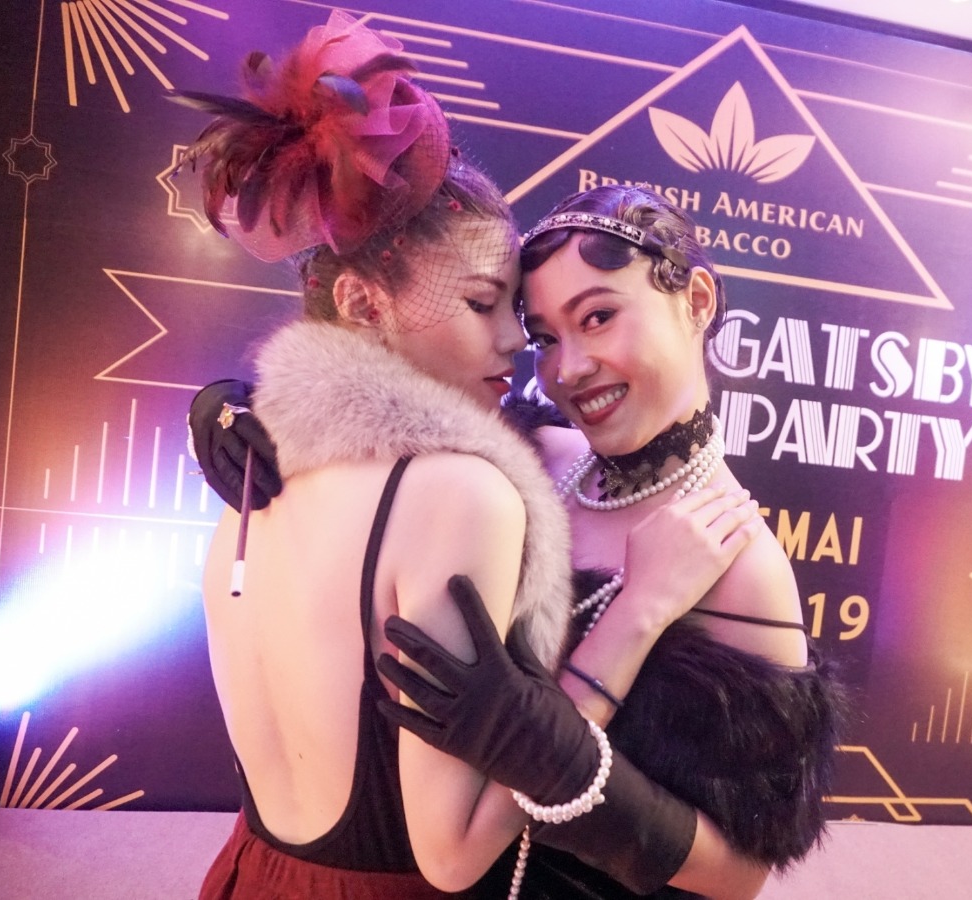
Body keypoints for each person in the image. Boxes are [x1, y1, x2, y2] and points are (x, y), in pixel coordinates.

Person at [177, 13, 764, 899]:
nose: (518, 345)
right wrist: (635, 614)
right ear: (364, 304)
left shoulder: (256, 473)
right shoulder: (463, 493)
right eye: (483, 303)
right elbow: (453, 856)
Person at [377, 185, 844, 898]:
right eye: (546, 338)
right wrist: (243, 411)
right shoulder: (527, 457)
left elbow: (740, 874)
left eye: (598, 317)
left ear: (697, 302)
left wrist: (568, 757)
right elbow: (386, 428)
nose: (567, 369)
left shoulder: (741, 568)